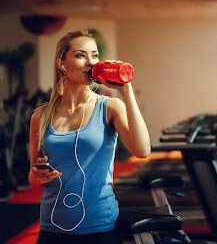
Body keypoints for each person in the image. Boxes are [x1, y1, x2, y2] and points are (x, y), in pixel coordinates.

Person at [28, 29, 151, 244]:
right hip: (52, 226)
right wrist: (37, 175)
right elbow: (32, 177)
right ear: (61, 64)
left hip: (99, 225)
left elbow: (142, 151)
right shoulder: (41, 116)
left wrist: (126, 91)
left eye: (94, 55)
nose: (90, 62)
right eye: (80, 55)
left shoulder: (110, 107)